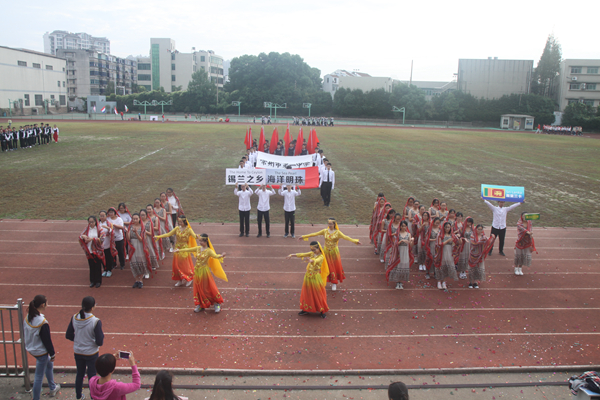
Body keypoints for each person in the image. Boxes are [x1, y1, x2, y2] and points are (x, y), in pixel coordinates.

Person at [299, 218, 361, 291]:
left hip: (334, 253)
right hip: (326, 252)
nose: (329, 225)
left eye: (331, 224)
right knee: (325, 266)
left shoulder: (338, 233)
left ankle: (334, 283)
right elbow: (315, 234)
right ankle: (323, 280)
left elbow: (346, 237)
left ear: (334, 224)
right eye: (329, 224)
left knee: (334, 266)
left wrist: (355, 241)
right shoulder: (325, 231)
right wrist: (304, 236)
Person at [66, 296, 104, 400]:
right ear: (92, 307)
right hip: (91, 353)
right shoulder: (95, 321)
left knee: (80, 374)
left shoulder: (74, 318)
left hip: (78, 351)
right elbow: (100, 341)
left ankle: (78, 396)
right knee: (92, 376)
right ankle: (93, 396)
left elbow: (68, 335)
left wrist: (79, 340)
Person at [178, 233, 227, 313]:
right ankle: (201, 304)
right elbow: (188, 250)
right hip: (197, 272)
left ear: (206, 241)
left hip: (204, 272)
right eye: (199, 241)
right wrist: (179, 250)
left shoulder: (209, 251)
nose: (200, 243)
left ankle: (216, 303)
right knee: (199, 288)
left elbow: (215, 256)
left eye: (202, 241)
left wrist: (221, 255)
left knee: (207, 288)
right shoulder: (198, 248)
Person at [24, 295, 60, 400]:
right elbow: (47, 340)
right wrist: (52, 353)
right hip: (40, 352)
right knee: (38, 377)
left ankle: (53, 387)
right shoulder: (42, 322)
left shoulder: (28, 317)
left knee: (49, 365)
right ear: (43, 305)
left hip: (31, 348)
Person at [286, 241, 329, 318]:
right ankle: (305, 309)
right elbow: (303, 254)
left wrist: (311, 261)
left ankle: (322, 310)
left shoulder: (321, 256)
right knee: (307, 292)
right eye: (312, 250)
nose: (313, 251)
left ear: (319, 248)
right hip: (308, 276)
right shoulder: (312, 253)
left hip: (315, 277)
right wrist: (292, 255)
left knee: (318, 293)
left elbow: (316, 261)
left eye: (315, 250)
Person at [155, 215, 196, 287]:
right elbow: (168, 234)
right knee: (177, 265)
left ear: (184, 222)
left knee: (185, 265)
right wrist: (159, 237)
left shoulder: (189, 230)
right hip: (177, 249)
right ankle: (180, 279)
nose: (179, 223)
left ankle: (189, 278)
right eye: (178, 221)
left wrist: (201, 237)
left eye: (181, 222)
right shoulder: (177, 228)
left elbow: (195, 236)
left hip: (184, 249)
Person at [386, 220, 413, 290]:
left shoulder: (408, 234)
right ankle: (397, 282)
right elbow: (395, 244)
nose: (404, 227)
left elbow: (411, 245)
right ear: (400, 226)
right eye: (402, 226)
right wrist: (401, 241)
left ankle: (401, 282)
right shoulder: (397, 234)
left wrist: (411, 241)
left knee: (404, 265)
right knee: (398, 265)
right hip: (398, 252)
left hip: (405, 251)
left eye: (405, 226)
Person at [79, 216, 105, 288]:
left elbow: (102, 238)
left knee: (97, 266)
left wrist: (92, 239)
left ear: (95, 222)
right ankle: (92, 281)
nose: (90, 223)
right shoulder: (87, 229)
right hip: (89, 250)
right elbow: (80, 236)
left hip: (97, 251)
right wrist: (83, 237)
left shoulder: (99, 229)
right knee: (91, 266)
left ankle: (98, 281)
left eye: (92, 222)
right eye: (89, 222)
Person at [127, 213, 152, 289]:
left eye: (136, 219)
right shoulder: (130, 227)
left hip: (140, 246)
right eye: (133, 219)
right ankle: (136, 280)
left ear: (139, 219)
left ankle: (140, 280)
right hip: (132, 246)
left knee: (140, 262)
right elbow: (128, 238)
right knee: (134, 263)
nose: (134, 220)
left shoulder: (142, 227)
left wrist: (136, 233)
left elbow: (141, 239)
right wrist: (126, 231)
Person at [434, 222, 459, 290]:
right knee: (441, 266)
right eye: (446, 227)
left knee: (447, 267)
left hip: (449, 253)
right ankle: (439, 281)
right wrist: (447, 240)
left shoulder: (452, 235)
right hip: (442, 253)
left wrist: (460, 239)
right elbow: (439, 244)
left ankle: (444, 281)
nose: (447, 229)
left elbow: (457, 243)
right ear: (444, 227)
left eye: (449, 227)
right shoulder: (440, 234)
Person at [99, 211, 117, 278]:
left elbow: (112, 232)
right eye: (100, 216)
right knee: (102, 257)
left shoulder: (109, 223)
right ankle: (105, 269)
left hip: (108, 243)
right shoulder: (98, 224)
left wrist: (107, 228)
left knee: (108, 257)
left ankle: (109, 270)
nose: (102, 217)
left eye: (103, 216)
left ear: (106, 216)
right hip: (100, 244)